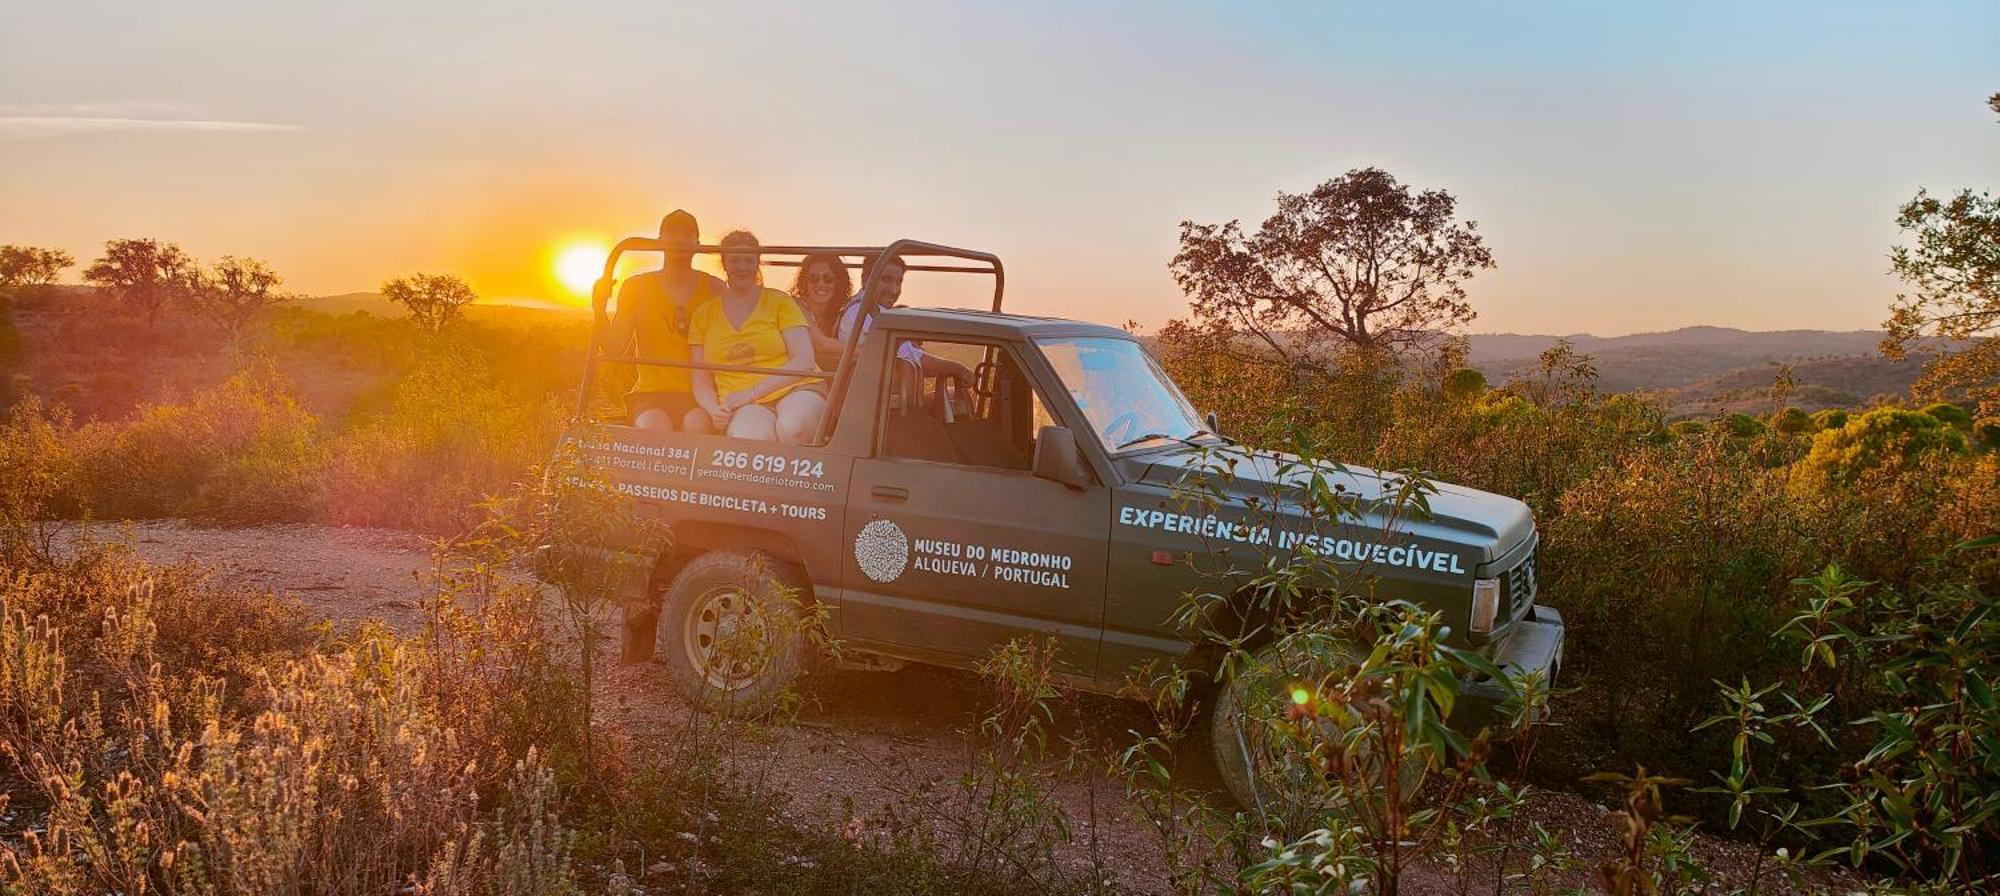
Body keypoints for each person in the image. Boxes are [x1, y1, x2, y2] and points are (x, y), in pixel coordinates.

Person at [685, 230, 827, 443]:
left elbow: (804, 361)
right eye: (735, 260)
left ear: (757, 263)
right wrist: (715, 410)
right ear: (724, 264)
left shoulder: (780, 302)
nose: (742, 267)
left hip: (795, 388)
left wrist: (751, 392)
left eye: (748, 260)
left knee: (794, 428)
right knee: (750, 438)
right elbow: (700, 380)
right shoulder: (704, 314)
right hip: (740, 403)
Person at [594, 210, 721, 431]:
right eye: (671, 231)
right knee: (654, 427)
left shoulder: (714, 288)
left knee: (697, 426)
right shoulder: (636, 287)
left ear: (697, 242)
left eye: (687, 233)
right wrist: (598, 308)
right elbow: (614, 349)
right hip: (649, 394)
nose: (679, 239)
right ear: (660, 240)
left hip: (698, 395)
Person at [836, 253, 972, 381]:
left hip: (884, 395)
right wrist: (958, 369)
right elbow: (913, 361)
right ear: (866, 280)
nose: (894, 290)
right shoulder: (864, 313)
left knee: (953, 396)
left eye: (898, 282)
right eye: (886, 279)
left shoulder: (873, 311)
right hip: (874, 400)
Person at [788, 252, 851, 369]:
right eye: (814, 279)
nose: (821, 284)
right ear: (804, 283)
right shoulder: (794, 305)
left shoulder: (843, 312)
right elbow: (819, 344)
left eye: (828, 279)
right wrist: (866, 351)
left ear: (838, 282)